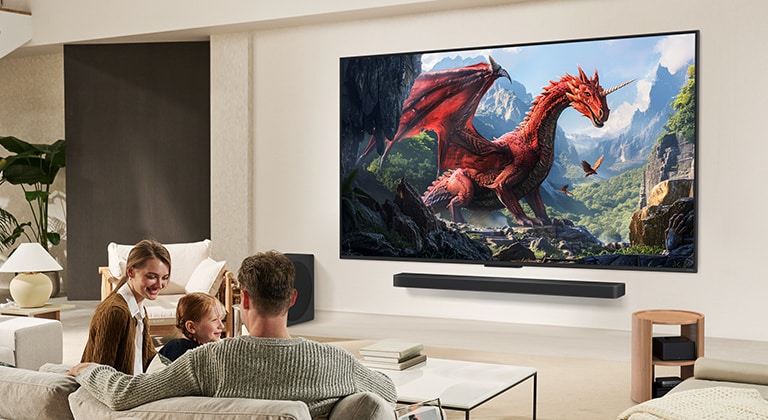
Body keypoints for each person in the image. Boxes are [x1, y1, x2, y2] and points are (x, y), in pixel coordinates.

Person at [68, 250, 396, 417]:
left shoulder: (208, 359)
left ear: (245, 299)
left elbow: (126, 393)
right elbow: (388, 393)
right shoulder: (336, 363)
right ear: (293, 299)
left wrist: (89, 369)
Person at [80, 239, 171, 375]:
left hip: (134, 386)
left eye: (165, 277)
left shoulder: (139, 309)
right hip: (118, 392)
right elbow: (101, 375)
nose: (159, 284)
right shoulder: (115, 312)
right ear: (131, 272)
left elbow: (148, 356)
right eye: (152, 277)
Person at [158, 292, 226, 362]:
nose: (222, 326)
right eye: (214, 320)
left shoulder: (172, 345)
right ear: (191, 327)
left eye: (221, 319)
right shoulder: (187, 353)